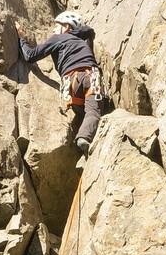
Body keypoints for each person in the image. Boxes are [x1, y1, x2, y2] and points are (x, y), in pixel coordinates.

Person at [14, 11, 107, 156]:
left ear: (66, 26)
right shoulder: (83, 42)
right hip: (92, 76)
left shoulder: (59, 38)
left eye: (56, 26)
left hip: (71, 81)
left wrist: (21, 39)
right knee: (93, 113)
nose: (53, 30)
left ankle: (80, 143)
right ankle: (84, 137)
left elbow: (30, 56)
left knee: (80, 113)